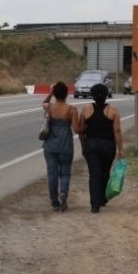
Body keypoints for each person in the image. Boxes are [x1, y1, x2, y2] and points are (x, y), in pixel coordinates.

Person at [78, 83, 125, 213]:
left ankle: (94, 204)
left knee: (94, 175)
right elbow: (117, 131)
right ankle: (102, 198)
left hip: (91, 145)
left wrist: (83, 146)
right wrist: (120, 149)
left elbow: (81, 131)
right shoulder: (113, 111)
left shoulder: (86, 110)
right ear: (106, 95)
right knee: (105, 173)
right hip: (108, 146)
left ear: (92, 95)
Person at [41, 81, 80, 212]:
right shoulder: (71, 109)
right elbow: (76, 129)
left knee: (52, 174)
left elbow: (43, 103)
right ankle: (63, 193)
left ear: (55, 94)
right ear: (67, 94)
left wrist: (50, 94)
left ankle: (54, 202)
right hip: (66, 145)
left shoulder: (49, 107)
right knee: (65, 172)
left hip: (50, 146)